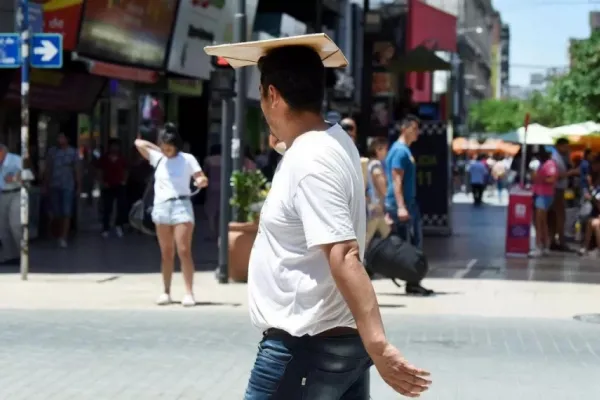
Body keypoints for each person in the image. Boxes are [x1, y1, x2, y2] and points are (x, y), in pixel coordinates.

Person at [214, 41, 431, 398]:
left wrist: (379, 345)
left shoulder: (309, 160)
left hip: (304, 347)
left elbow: (343, 253)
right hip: (338, 343)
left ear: (273, 94)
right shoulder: (334, 140)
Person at [134, 123, 208, 307]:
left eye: (170, 147)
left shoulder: (187, 159)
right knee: (166, 253)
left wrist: (200, 180)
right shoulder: (158, 158)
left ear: (177, 145)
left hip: (181, 205)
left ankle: (189, 292)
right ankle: (166, 291)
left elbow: (200, 176)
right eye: (164, 148)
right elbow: (138, 143)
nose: (167, 151)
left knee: (184, 250)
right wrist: (158, 147)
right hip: (161, 208)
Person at [385, 115, 433, 296]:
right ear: (404, 129)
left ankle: (413, 280)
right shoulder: (400, 151)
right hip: (404, 205)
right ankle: (412, 281)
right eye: (414, 129)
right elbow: (397, 180)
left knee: (411, 244)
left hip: (407, 203)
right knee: (411, 246)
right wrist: (401, 206)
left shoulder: (403, 151)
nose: (417, 133)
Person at [44, 133, 81, 248]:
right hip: (54, 184)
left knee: (66, 211)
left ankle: (63, 237)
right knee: (56, 212)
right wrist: (45, 184)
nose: (60, 140)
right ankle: (56, 234)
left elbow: (77, 169)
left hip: (67, 185)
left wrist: (78, 186)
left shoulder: (73, 152)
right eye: (58, 137)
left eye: (62, 137)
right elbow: (48, 168)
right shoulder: (52, 152)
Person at [547, 138, 579, 251]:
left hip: (558, 189)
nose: (567, 149)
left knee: (554, 216)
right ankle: (560, 241)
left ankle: (552, 240)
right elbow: (556, 175)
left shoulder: (560, 157)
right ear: (559, 146)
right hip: (556, 190)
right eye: (565, 146)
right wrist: (571, 173)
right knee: (560, 216)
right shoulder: (555, 158)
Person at [97, 138, 128, 238]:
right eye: (112, 146)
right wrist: (102, 182)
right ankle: (106, 228)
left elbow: (126, 169)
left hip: (119, 185)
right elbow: (100, 171)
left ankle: (119, 225)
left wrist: (124, 180)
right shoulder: (104, 158)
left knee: (121, 206)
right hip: (108, 185)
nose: (114, 148)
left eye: (116, 146)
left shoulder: (122, 158)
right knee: (107, 207)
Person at [530, 149, 558, 257]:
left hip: (544, 195)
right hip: (540, 194)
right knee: (542, 222)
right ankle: (545, 245)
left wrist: (541, 178)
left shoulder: (549, 164)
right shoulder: (542, 165)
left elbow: (552, 179)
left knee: (539, 222)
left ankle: (539, 246)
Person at [365, 137, 391, 246]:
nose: (387, 152)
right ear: (378, 150)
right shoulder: (376, 165)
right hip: (376, 207)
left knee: (386, 233)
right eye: (385, 149)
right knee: (367, 237)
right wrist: (387, 196)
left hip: (374, 207)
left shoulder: (369, 163)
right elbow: (379, 179)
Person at [0, 143, 22, 263]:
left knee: (15, 224)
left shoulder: (16, 160)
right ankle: (10, 256)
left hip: (16, 192)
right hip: (2, 194)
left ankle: (23, 254)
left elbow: (28, 175)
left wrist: (14, 178)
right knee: (2, 227)